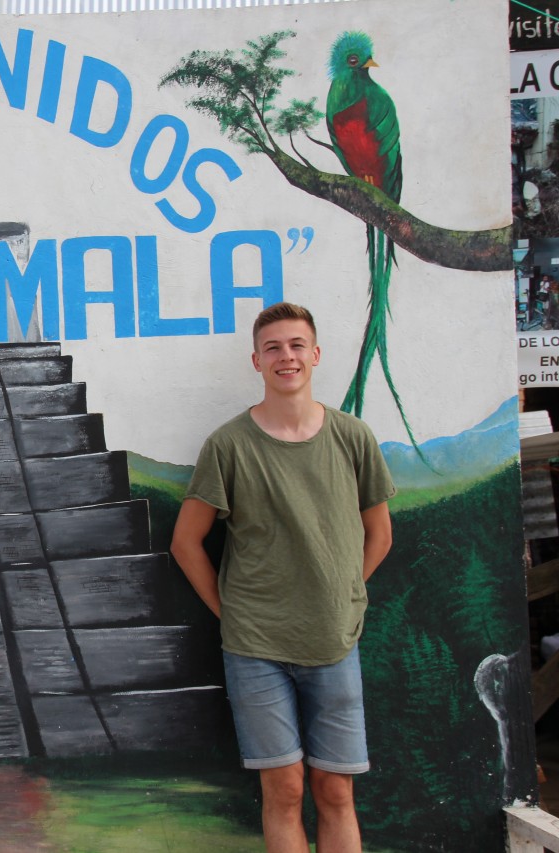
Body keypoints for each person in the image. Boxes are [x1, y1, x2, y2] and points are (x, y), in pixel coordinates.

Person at [170, 302, 394, 853]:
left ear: (315, 355)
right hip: (256, 650)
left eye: (296, 345)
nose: (285, 357)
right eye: (272, 348)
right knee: (285, 789)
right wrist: (231, 613)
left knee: (335, 791)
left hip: (334, 641)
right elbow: (185, 542)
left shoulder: (352, 437)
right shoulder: (228, 445)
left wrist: (347, 595)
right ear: (256, 361)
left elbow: (380, 534)